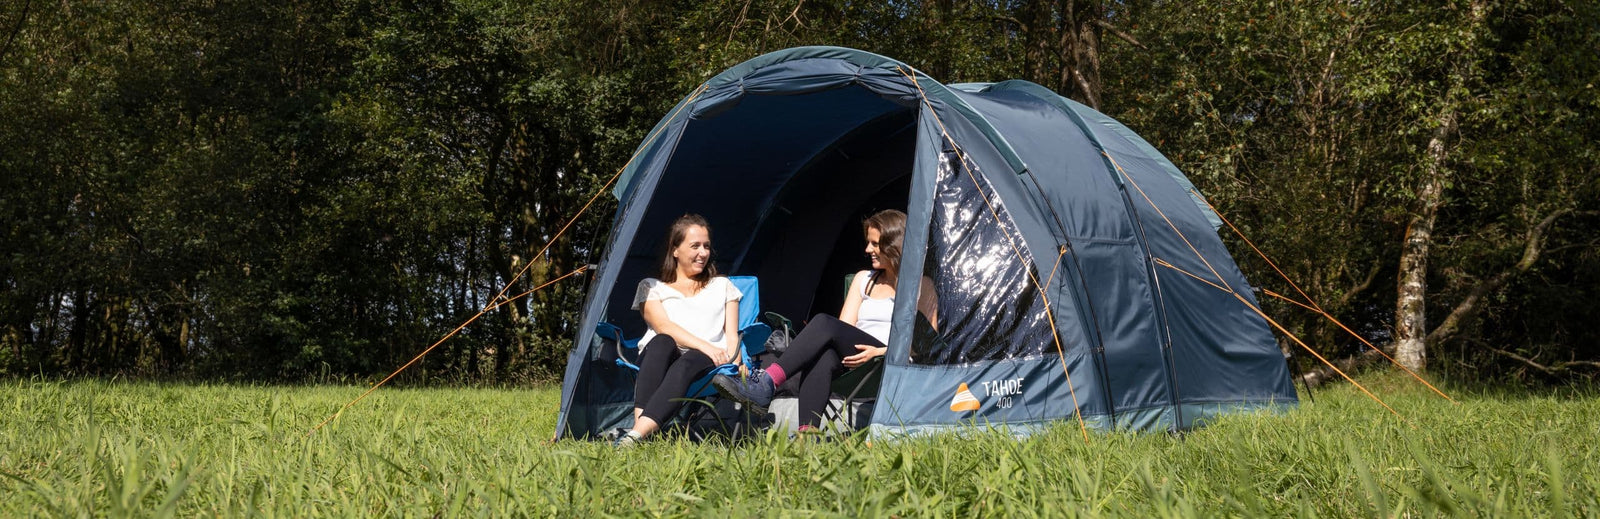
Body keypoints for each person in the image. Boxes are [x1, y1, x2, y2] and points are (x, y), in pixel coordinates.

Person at [712, 209, 936, 432]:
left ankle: (766, 383)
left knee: (822, 322)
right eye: (868, 243)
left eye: (875, 244)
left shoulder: (922, 287)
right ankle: (807, 436)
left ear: (894, 245)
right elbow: (842, 329)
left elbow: (925, 347)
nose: (868, 250)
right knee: (824, 355)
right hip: (856, 358)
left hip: (889, 360)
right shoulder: (863, 280)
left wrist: (880, 352)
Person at [614, 214, 743, 447]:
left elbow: (733, 334)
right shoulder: (651, 287)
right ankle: (640, 431)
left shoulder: (723, 286)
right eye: (695, 246)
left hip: (704, 362)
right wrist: (705, 345)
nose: (703, 253)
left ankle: (635, 436)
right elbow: (663, 326)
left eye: (706, 246)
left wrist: (737, 361)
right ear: (675, 250)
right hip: (661, 356)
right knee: (663, 341)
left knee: (691, 358)